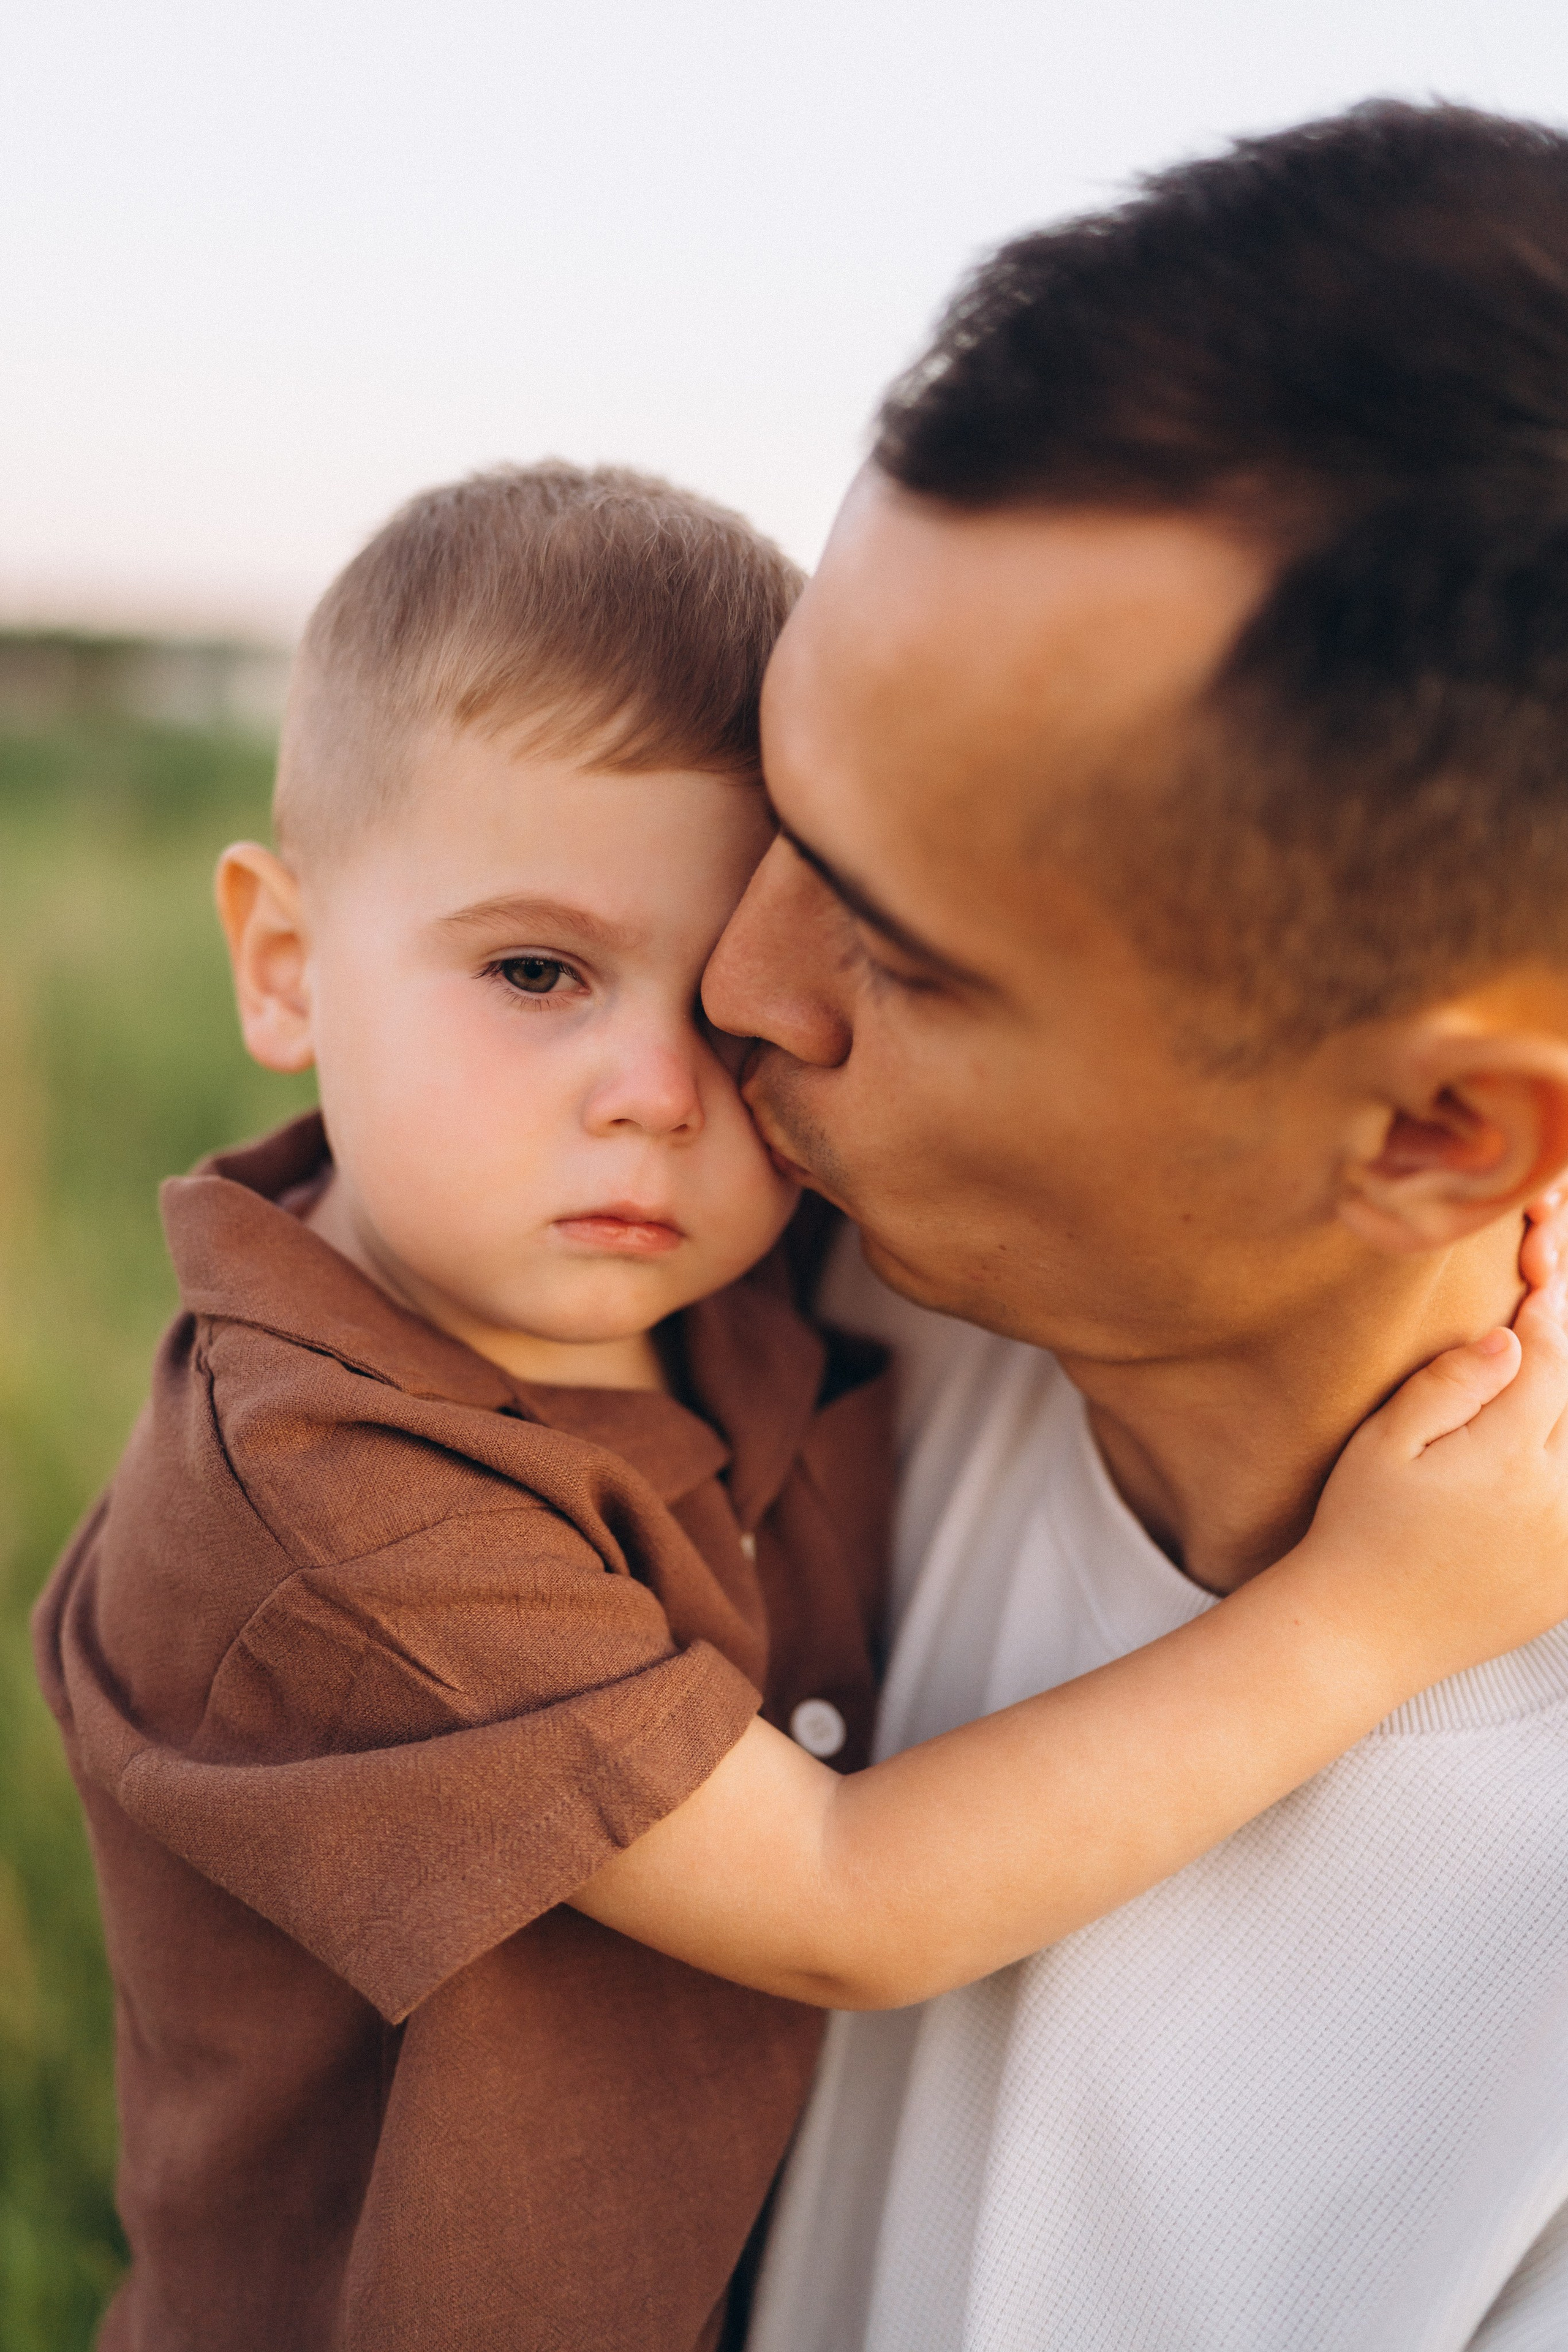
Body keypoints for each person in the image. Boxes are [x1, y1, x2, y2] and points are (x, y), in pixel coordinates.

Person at [31, 459, 1568, 2352]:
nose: (659, 1091)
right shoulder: (320, 1498)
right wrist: (1374, 1618)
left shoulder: (693, 1266)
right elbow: (846, 1899)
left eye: (720, 1007)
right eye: (537, 970)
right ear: (284, 964)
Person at [705, 99, 1568, 2352]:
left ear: (1445, 1134)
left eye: (895, 949)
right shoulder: (744, 1278)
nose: (734, 987)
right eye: (765, 808)